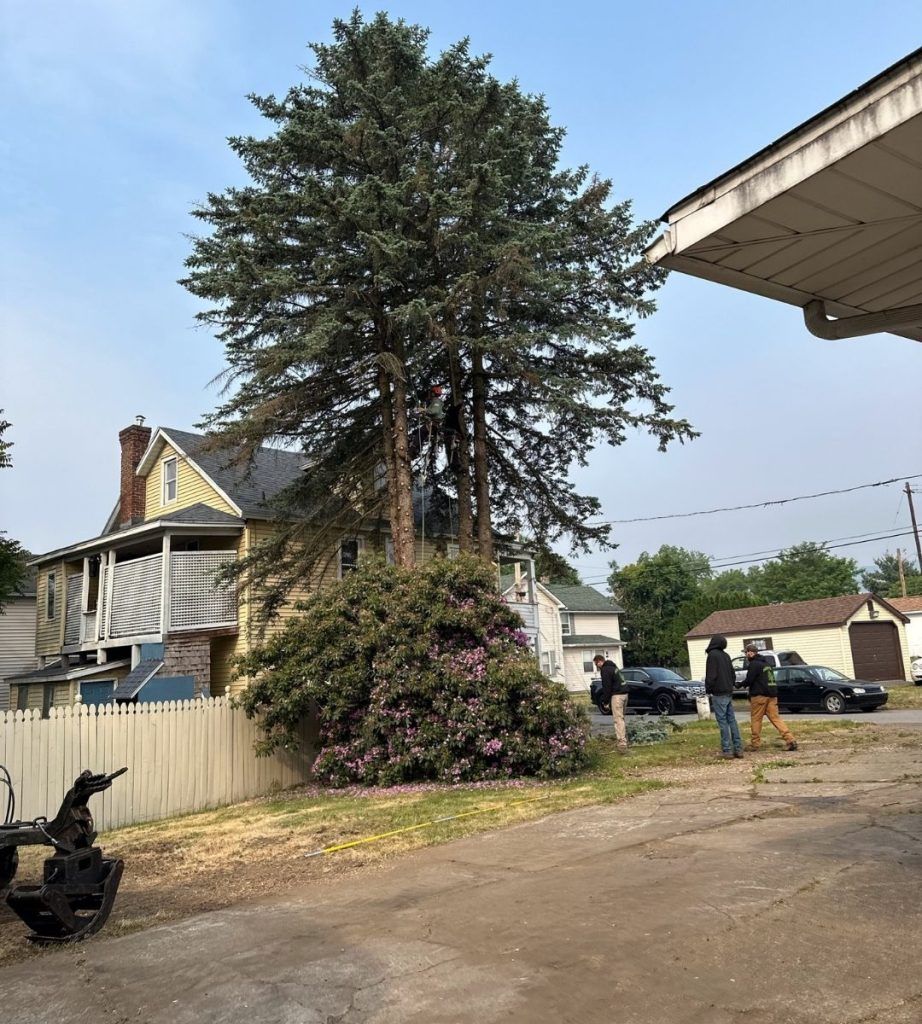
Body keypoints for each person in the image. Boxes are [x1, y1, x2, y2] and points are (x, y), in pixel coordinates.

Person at [744, 644, 798, 752]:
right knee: (776, 719)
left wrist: (740, 684)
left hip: (759, 696)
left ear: (751, 653)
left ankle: (755, 743)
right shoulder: (767, 664)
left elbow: (749, 680)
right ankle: (790, 740)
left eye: (746, 653)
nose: (746, 655)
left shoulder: (754, 664)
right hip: (772, 696)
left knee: (756, 720)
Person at [704, 635, 743, 759]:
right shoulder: (726, 656)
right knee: (732, 720)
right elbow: (733, 674)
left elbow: (711, 675)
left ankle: (727, 750)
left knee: (722, 722)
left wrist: (708, 689)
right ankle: (738, 748)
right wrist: (730, 685)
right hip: (728, 691)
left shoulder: (712, 656)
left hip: (718, 692)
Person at [593, 655, 629, 752]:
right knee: (622, 718)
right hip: (625, 694)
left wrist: (605, 701)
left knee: (618, 719)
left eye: (596, 664)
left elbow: (607, 687)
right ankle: (625, 738)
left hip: (617, 696)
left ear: (600, 661)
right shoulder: (614, 667)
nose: (597, 666)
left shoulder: (605, 670)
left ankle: (622, 743)